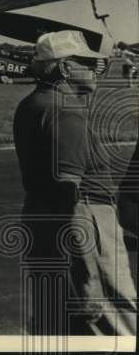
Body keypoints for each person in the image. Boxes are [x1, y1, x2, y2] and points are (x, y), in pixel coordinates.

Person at [13, 30, 137, 336]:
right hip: (84, 217)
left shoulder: (32, 104)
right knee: (111, 310)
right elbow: (68, 188)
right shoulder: (66, 112)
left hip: (39, 214)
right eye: (87, 63)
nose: (97, 70)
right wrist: (84, 257)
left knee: (56, 312)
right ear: (65, 68)